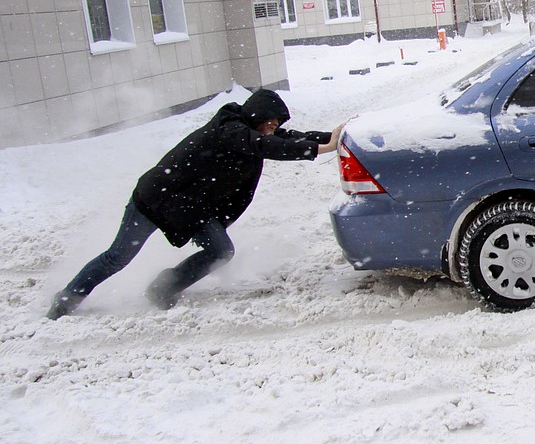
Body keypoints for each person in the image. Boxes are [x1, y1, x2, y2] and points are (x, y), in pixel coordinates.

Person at [46, 89, 344, 319]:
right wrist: (321, 149)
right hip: (155, 198)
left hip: (189, 207)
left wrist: (330, 136)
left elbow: (284, 137)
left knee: (220, 251)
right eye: (270, 122)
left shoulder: (252, 129)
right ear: (255, 116)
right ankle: (65, 300)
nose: (273, 128)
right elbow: (266, 145)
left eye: (275, 124)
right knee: (117, 257)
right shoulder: (231, 131)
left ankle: (162, 288)